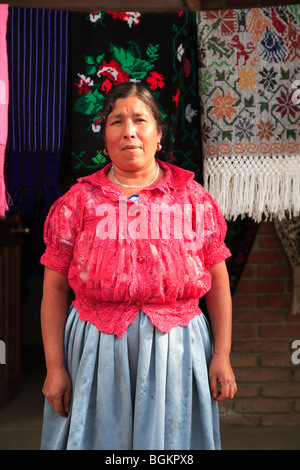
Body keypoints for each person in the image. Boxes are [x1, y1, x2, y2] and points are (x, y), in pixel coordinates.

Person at [40, 81, 237, 450]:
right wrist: (54, 367)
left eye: (139, 120)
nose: (129, 130)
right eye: (117, 121)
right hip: (96, 350)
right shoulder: (77, 202)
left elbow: (218, 282)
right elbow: (53, 288)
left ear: (159, 135)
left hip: (177, 348)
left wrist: (222, 356)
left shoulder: (193, 200)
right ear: (105, 137)